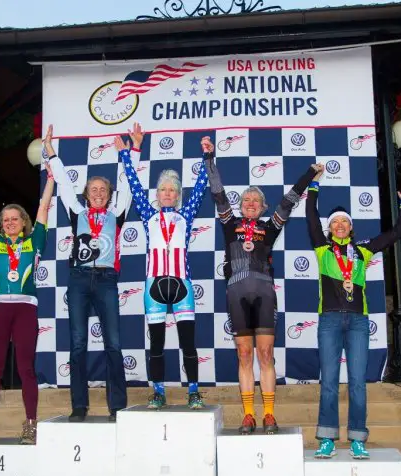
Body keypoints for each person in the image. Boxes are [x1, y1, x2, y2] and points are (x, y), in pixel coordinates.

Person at [203, 138, 320, 434]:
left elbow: (289, 200)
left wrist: (308, 174)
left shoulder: (271, 226)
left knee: (266, 355)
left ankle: (268, 413)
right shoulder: (230, 223)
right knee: (244, 355)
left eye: (256, 201)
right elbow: (218, 193)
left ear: (263, 207)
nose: (251, 204)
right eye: (246, 200)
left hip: (265, 294)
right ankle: (247, 415)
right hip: (236, 294)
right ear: (241, 206)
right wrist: (209, 158)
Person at [306, 165, 401, 459]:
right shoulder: (322, 250)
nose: (339, 225)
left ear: (351, 227)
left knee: (357, 382)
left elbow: (396, 233)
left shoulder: (363, 250)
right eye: (335, 222)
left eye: (344, 222)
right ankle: (327, 438)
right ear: (330, 228)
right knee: (328, 382)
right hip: (328, 320)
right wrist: (314, 186)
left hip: (357, 322)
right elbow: (311, 217)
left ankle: (357, 439)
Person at [42, 124, 143, 422]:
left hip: (108, 281)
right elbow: (61, 179)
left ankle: (118, 406)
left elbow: (129, 184)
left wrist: (133, 150)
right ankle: (79, 406)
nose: (98, 193)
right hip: (79, 279)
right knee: (77, 344)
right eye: (93, 190)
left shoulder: (118, 212)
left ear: (109, 195)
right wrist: (50, 152)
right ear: (86, 194)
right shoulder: (76, 211)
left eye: (103, 190)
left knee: (113, 344)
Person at [0, 153, 55, 445]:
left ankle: (31, 425)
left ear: (24, 222)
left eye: (15, 218)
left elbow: (44, 207)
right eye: (5, 219)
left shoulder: (35, 240)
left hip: (26, 308)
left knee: (26, 367)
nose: (9, 222)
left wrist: (51, 179)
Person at [122, 136, 210, 410]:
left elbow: (200, 186)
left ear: (178, 195)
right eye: (163, 190)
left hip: (182, 284)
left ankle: (194, 391)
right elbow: (134, 186)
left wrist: (207, 156)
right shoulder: (148, 215)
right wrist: (126, 155)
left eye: (173, 190)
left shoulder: (187, 213)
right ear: (157, 195)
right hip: (154, 286)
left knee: (188, 343)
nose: (168, 193)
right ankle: (158, 392)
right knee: (157, 343)